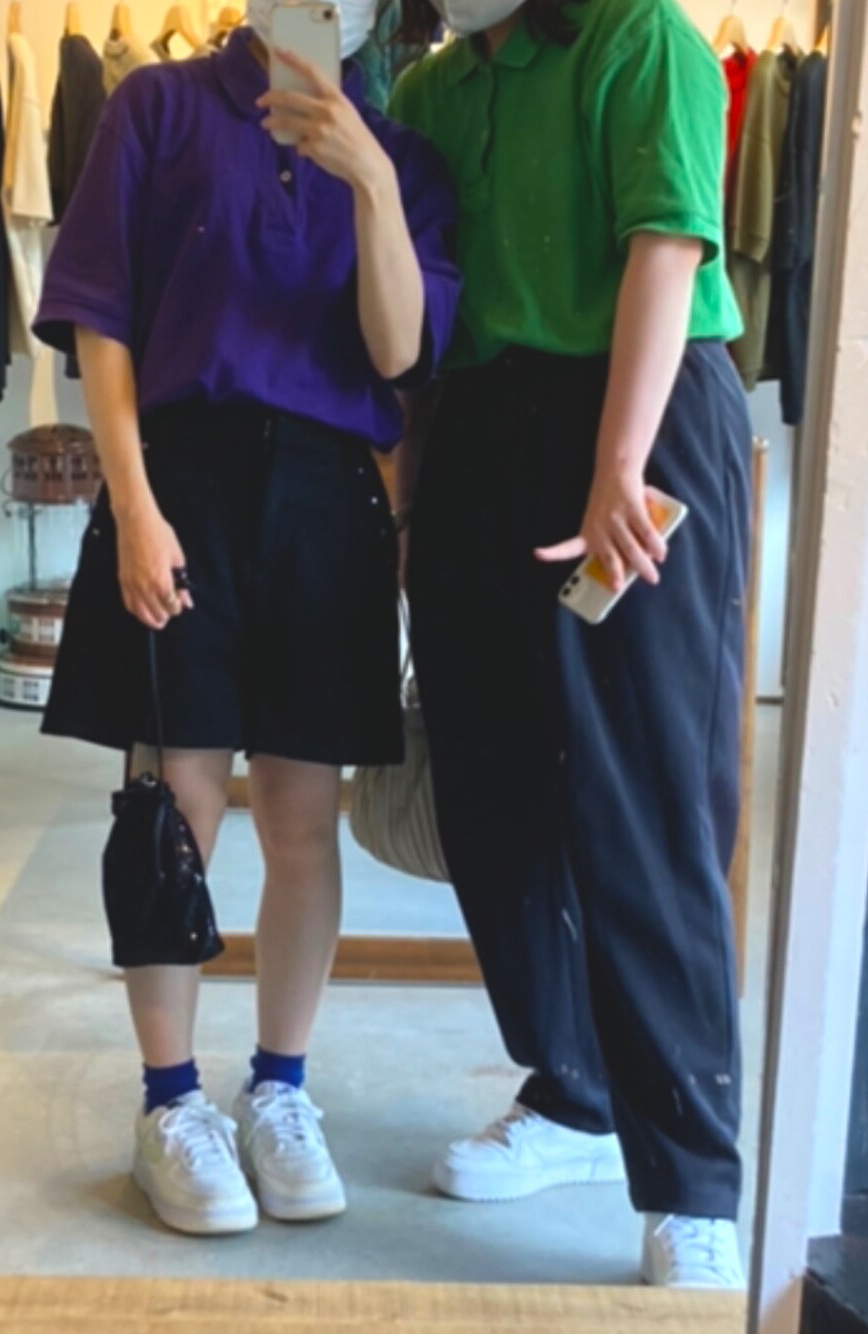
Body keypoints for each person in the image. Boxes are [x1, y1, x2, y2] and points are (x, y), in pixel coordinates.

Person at [33, 1, 458, 1236]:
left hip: (329, 496)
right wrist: (133, 502)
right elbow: (100, 321)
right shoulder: (157, 108)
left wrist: (367, 177)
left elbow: (399, 351)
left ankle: (280, 1085)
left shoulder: (404, 155)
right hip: (181, 482)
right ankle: (169, 1099)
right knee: (172, 807)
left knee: (303, 816)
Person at [389, 0, 751, 1289]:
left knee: (643, 798)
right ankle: (576, 1088)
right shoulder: (428, 90)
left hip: (639, 411)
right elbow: (418, 315)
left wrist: (617, 461)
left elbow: (668, 245)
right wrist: (407, 501)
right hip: (480, 426)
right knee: (487, 787)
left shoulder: (637, 36)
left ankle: (694, 1174)